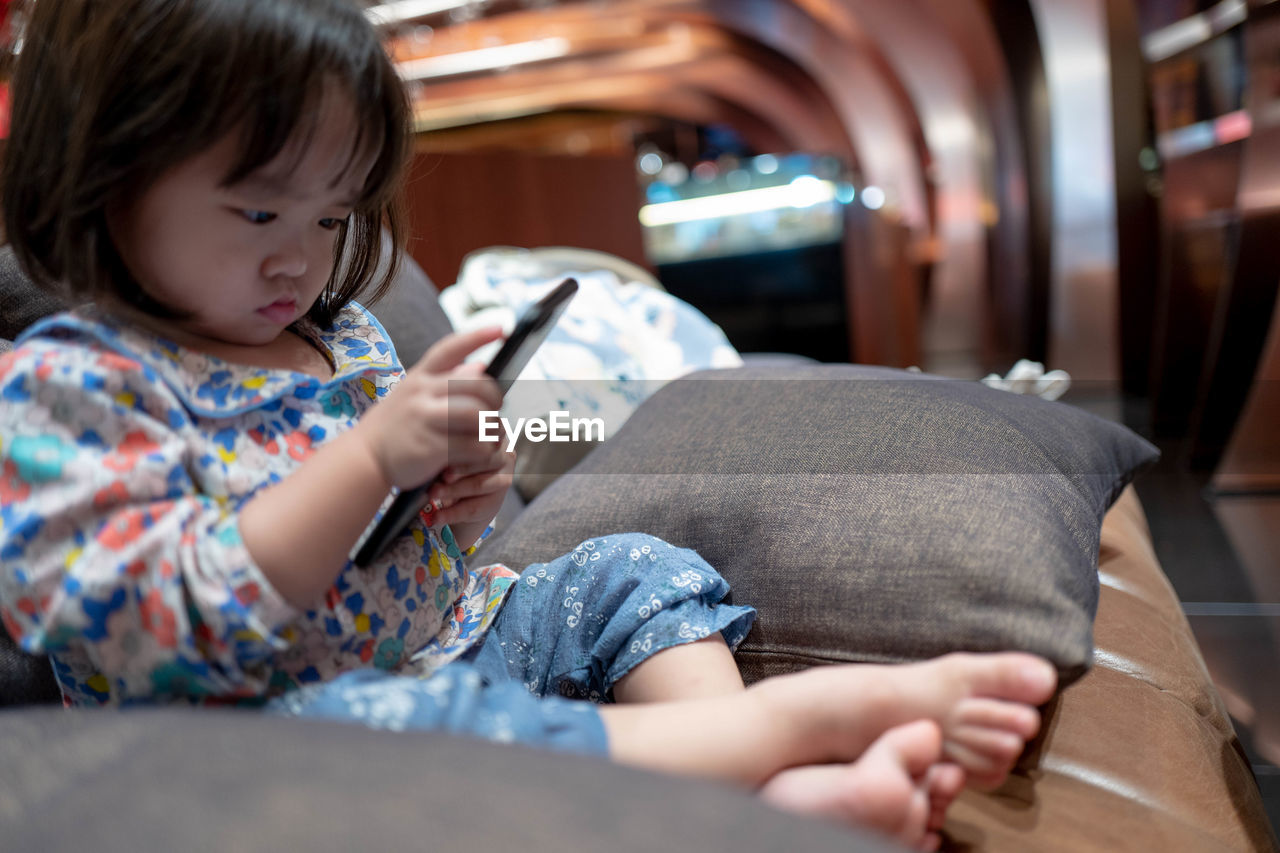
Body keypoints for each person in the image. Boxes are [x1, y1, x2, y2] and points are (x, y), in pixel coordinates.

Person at [0, 1, 1057, 849]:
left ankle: (749, 782)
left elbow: (422, 555)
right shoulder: (66, 391)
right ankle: (784, 740)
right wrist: (372, 458)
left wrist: (463, 499)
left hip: (439, 645)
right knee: (396, 727)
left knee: (625, 569)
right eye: (261, 211)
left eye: (333, 216)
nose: (301, 257)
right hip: (253, 735)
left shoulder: (344, 336)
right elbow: (161, 617)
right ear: (102, 177)